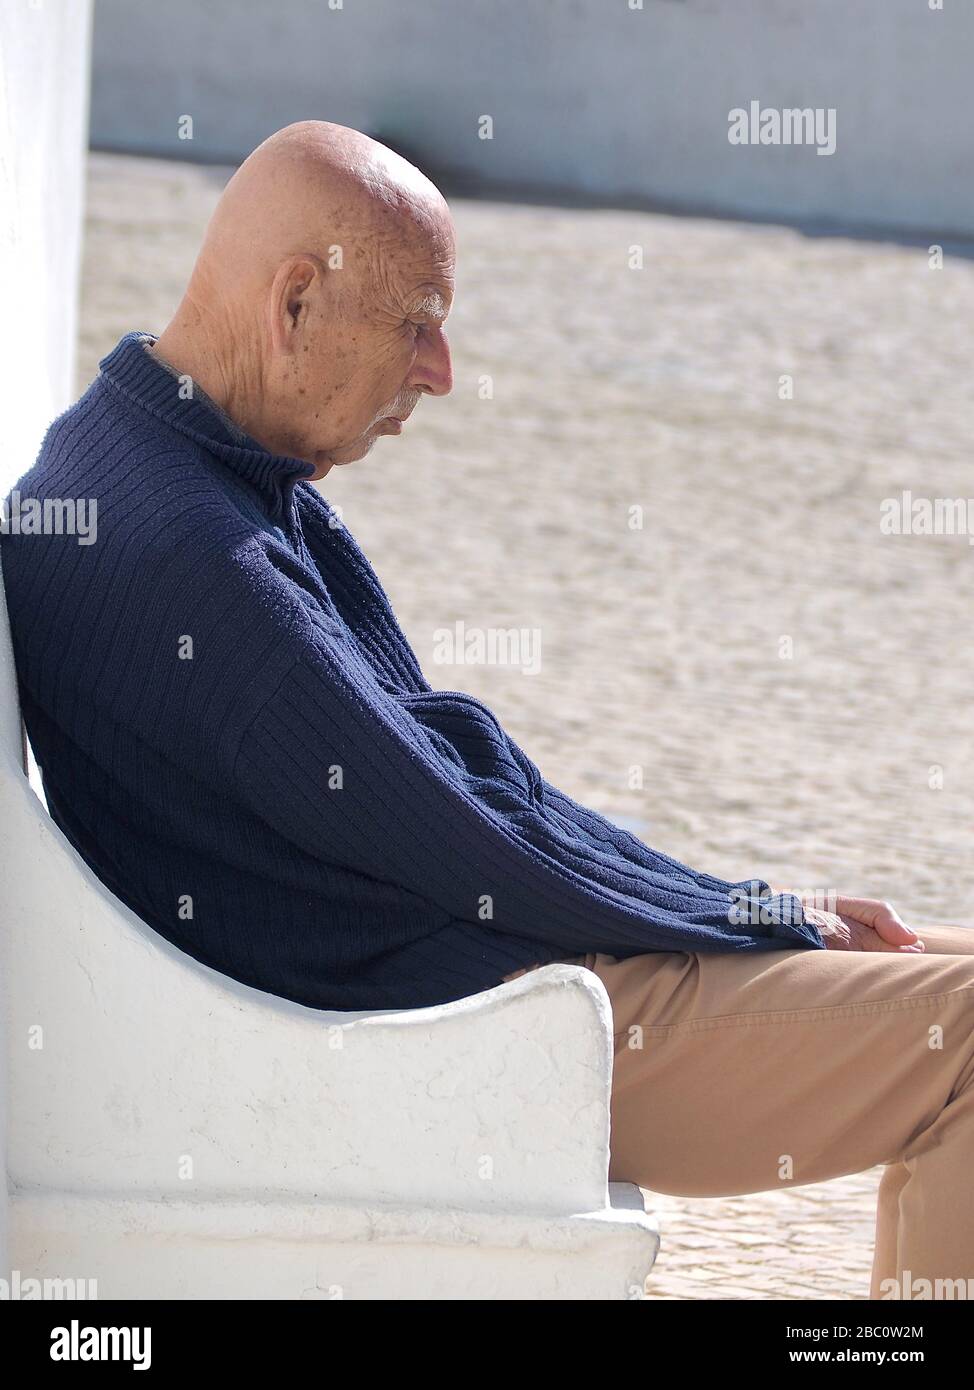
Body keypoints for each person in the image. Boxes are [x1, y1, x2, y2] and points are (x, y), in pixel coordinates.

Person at [2, 122, 971, 1298]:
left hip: (458, 965)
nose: (439, 371)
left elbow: (464, 812)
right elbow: (482, 850)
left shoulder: (137, 454)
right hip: (473, 1020)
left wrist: (766, 905)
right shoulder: (204, 559)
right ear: (294, 304)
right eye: (416, 323)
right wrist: (753, 908)